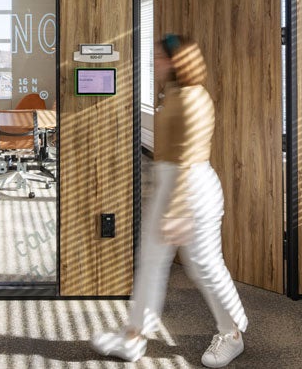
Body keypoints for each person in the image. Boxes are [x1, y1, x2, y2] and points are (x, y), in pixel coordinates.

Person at [90, 34, 248, 368]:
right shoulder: (172, 93)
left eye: (159, 57)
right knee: (150, 262)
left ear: (178, 61)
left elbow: (186, 158)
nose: (155, 62)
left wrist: (176, 211)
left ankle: (232, 333)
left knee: (204, 266)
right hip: (170, 185)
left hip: (191, 189)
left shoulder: (193, 98)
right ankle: (134, 337)